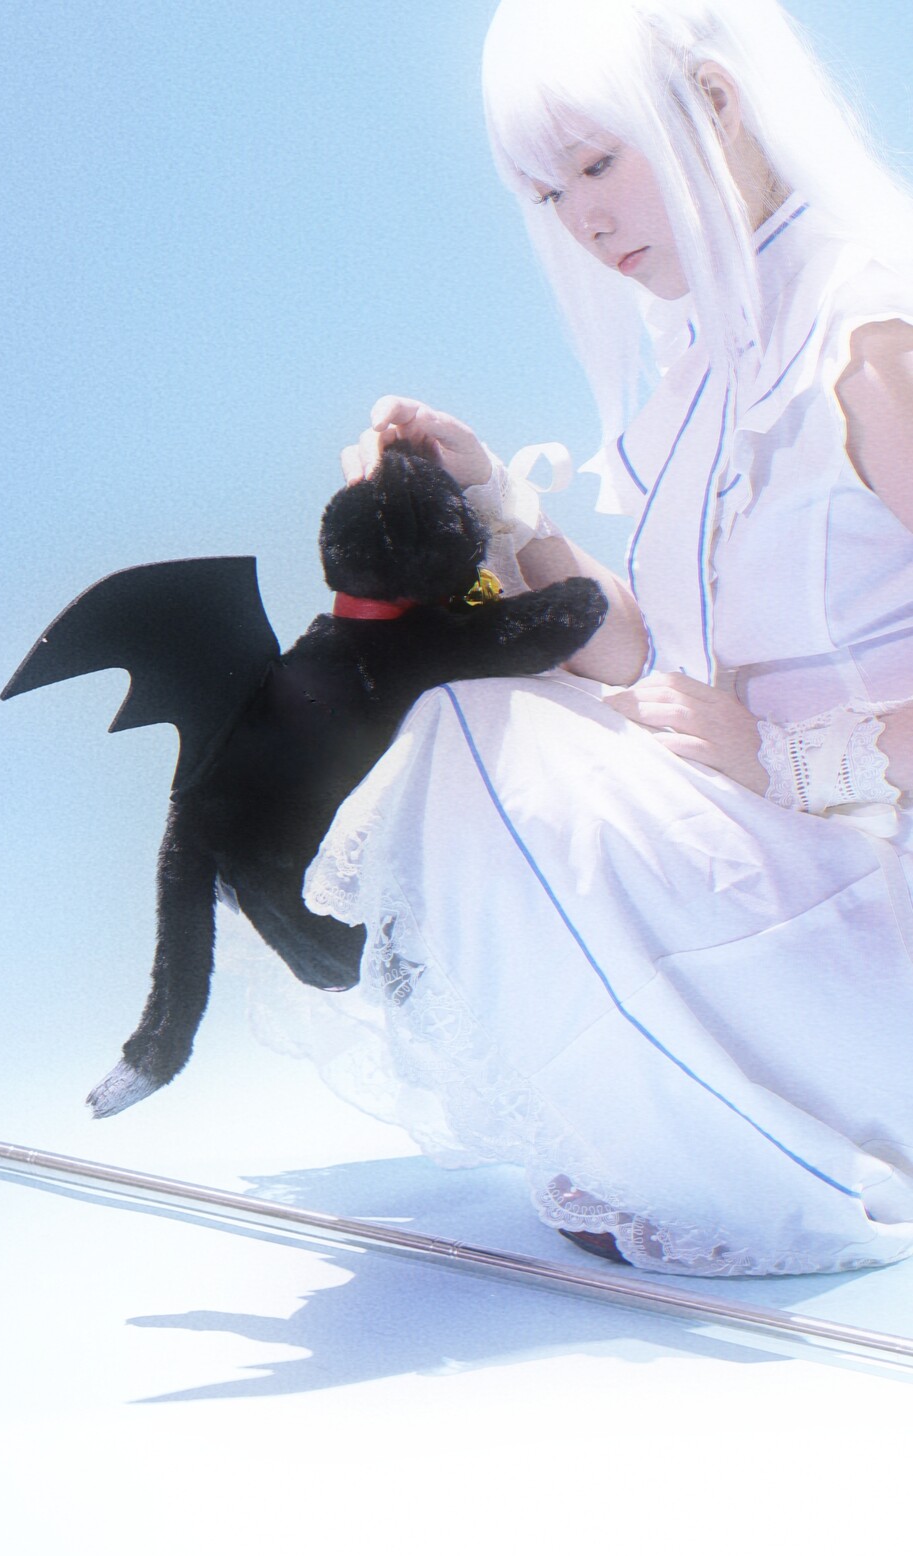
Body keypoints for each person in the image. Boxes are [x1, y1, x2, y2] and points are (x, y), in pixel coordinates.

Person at [274, 0, 913, 1275]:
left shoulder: (870, 330)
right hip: (813, 869)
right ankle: (675, 1127)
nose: (583, 221)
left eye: (597, 163)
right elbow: (653, 664)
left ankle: (780, 1145)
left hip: (877, 886)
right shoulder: (712, 354)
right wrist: (495, 509)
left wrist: (793, 762)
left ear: (717, 103)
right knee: (468, 701)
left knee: (478, 725)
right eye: (547, 191)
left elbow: (747, 736)